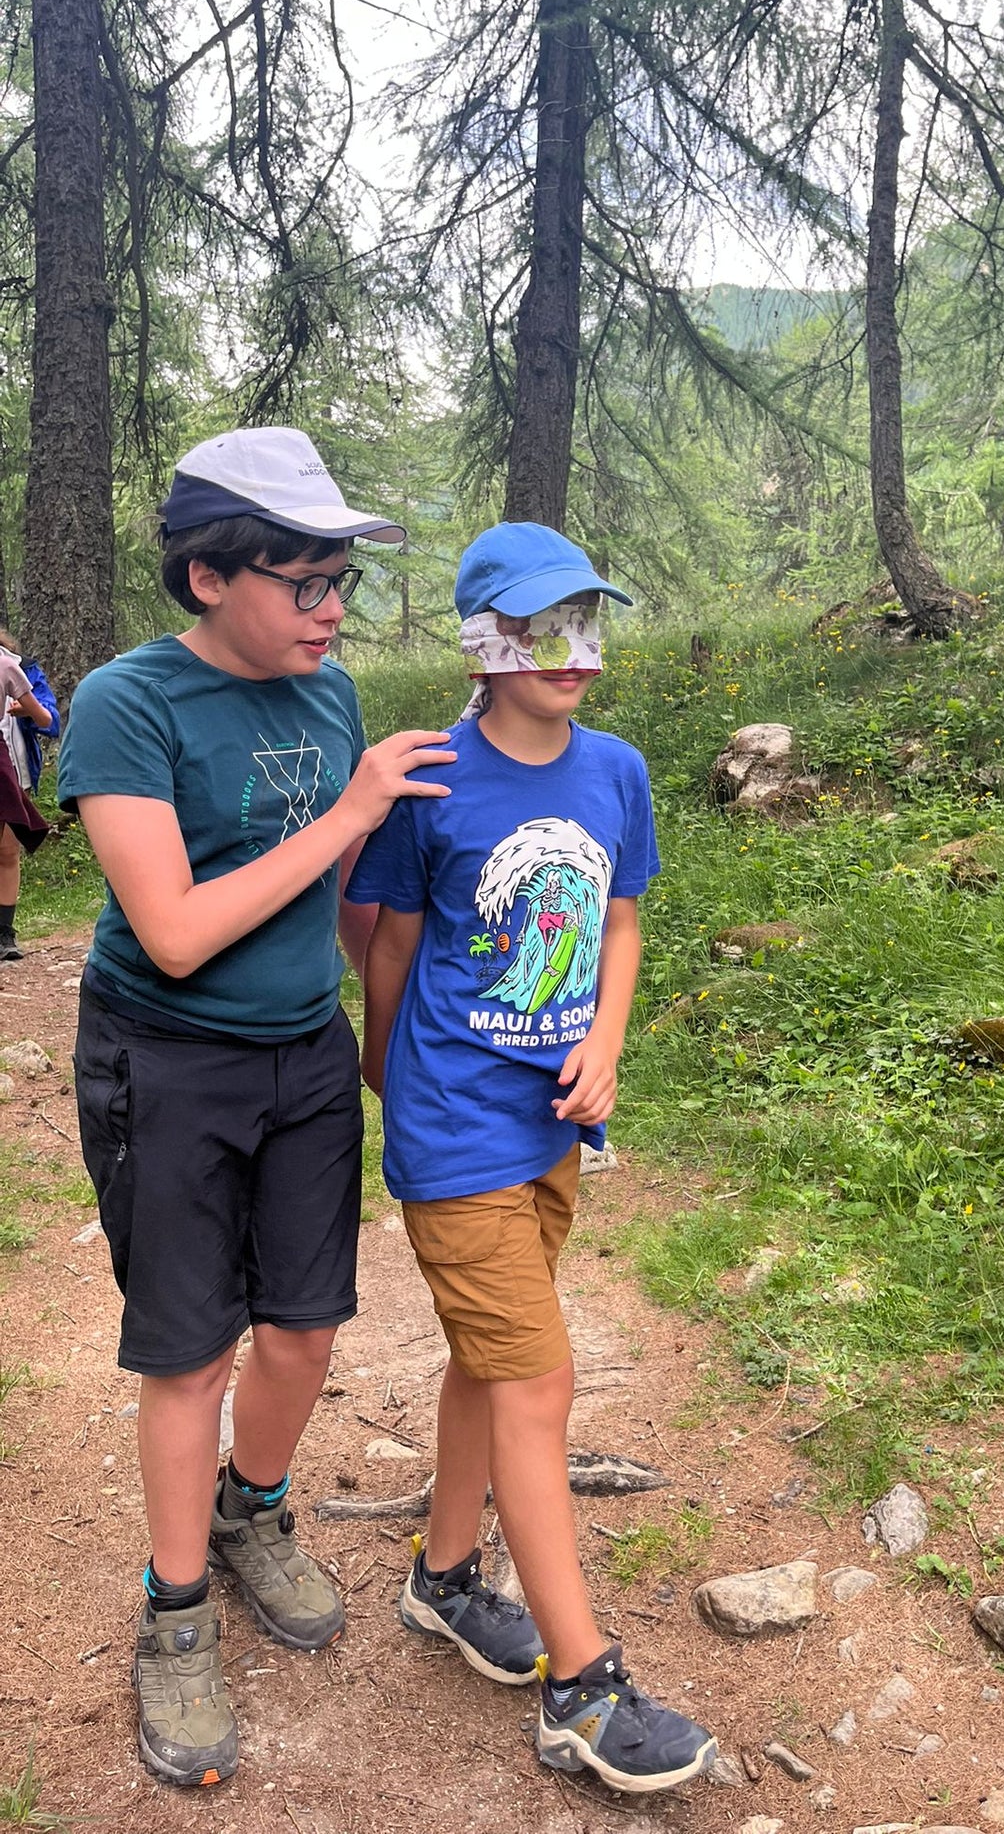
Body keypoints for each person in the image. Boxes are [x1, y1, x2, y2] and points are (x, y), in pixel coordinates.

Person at [58, 426, 457, 1788]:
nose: (330, 607)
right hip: (164, 1054)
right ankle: (174, 1616)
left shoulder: (327, 691)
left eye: (337, 577)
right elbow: (170, 928)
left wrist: (390, 1038)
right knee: (191, 1350)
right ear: (206, 576)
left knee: (304, 1325)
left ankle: (253, 1511)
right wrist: (348, 810)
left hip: (302, 1054)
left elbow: (348, 903)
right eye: (301, 579)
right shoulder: (128, 701)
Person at [350, 521, 716, 1795]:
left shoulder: (614, 770)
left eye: (586, 622)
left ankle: (443, 1578)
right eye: (541, 625)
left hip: (553, 1127)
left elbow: (617, 918)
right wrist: (393, 1077)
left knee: (488, 1361)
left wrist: (608, 1040)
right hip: (453, 1130)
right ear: (484, 639)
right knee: (537, 1382)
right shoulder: (436, 775)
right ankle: (580, 1684)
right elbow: (384, 945)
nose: (572, 649)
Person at [0, 625, 58, 960]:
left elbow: (50, 720)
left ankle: (4, 933)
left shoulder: (19, 667)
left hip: (11, 774)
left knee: (7, 851)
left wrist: (28, 712)